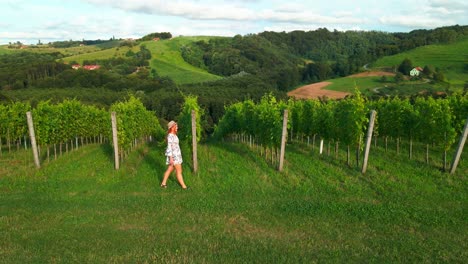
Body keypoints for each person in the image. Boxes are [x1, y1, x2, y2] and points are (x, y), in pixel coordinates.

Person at [161, 121, 187, 189]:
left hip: (177, 155)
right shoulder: (170, 136)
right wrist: (171, 158)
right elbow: (169, 147)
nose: (177, 127)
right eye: (176, 126)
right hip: (174, 157)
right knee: (179, 171)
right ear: (172, 127)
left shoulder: (174, 135)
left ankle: (163, 183)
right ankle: (184, 186)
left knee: (169, 170)